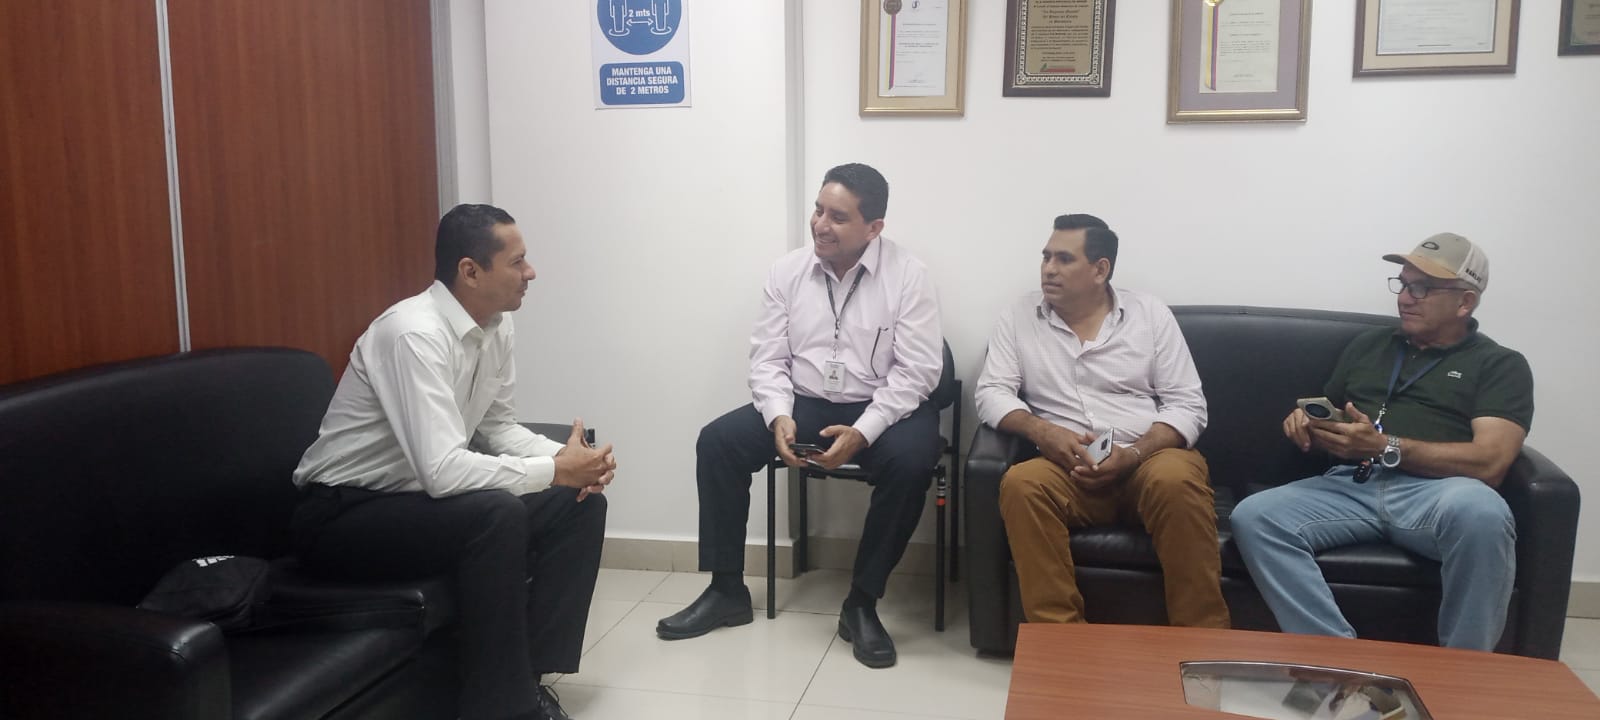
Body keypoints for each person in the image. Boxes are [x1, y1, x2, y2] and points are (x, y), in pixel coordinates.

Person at [290, 203, 617, 720]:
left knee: (577, 503)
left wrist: (569, 460)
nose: (531, 273)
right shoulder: (412, 333)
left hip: (414, 500)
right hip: (341, 515)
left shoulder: (496, 326)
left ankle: (528, 678)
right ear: (470, 271)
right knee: (497, 513)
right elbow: (442, 471)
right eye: (517, 262)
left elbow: (497, 428)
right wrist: (554, 470)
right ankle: (500, 708)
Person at [655, 163, 943, 669]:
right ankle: (726, 590)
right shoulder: (787, 271)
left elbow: (918, 372)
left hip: (884, 406)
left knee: (912, 462)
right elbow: (767, 358)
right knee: (718, 442)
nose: (820, 225)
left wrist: (864, 431)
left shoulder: (908, 275)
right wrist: (777, 415)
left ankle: (861, 604)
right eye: (818, 209)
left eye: (838, 217)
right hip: (805, 402)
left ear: (874, 227)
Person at [1231, 233, 1532, 651]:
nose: (1405, 298)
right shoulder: (1370, 346)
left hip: (1438, 493)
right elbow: (1334, 415)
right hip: (1351, 483)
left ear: (1465, 302)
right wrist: (1309, 424)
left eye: (1422, 288)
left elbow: (1490, 462)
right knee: (1254, 516)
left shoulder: (1499, 364)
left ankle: (1465, 670)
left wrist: (1384, 445)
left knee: (1484, 513)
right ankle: (1339, 661)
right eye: (1403, 284)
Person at [974, 214, 1229, 629]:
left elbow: (1187, 405)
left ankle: (1201, 642)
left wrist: (1134, 454)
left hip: (1147, 459)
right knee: (1022, 484)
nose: (1048, 269)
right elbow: (991, 392)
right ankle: (1062, 643)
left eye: (1064, 259)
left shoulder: (1149, 314)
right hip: (1068, 466)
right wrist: (1044, 431)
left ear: (1100, 269)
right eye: (1045, 257)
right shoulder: (1019, 316)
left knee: (1176, 480)